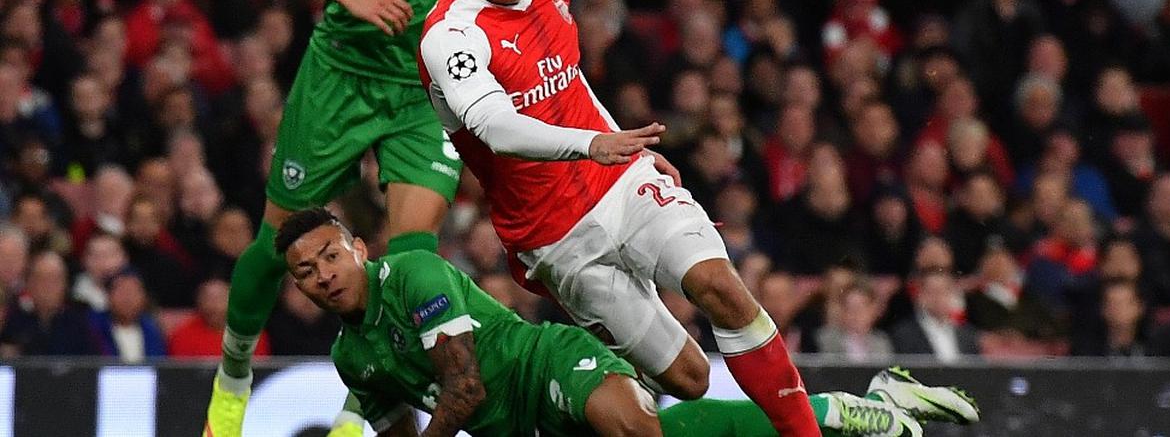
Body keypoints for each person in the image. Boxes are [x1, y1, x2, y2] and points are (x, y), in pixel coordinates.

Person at [416, 0, 978, 436]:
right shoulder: (451, 37)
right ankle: (852, 407)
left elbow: (568, 78)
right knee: (690, 378)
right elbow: (496, 126)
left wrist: (623, 148)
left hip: (620, 184)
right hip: (555, 238)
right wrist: (593, 142)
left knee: (720, 287)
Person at [203, 0, 508, 435]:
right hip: (342, 73)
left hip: (427, 85)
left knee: (411, 260)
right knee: (275, 245)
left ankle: (359, 407)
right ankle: (234, 373)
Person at [278, 207, 981, 436]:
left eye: (330, 255)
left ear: (358, 248)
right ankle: (849, 408)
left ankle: (840, 411)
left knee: (635, 428)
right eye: (306, 272)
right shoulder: (352, 358)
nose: (323, 274)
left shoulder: (412, 275)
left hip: (544, 364)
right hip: (514, 431)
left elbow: (462, 389)